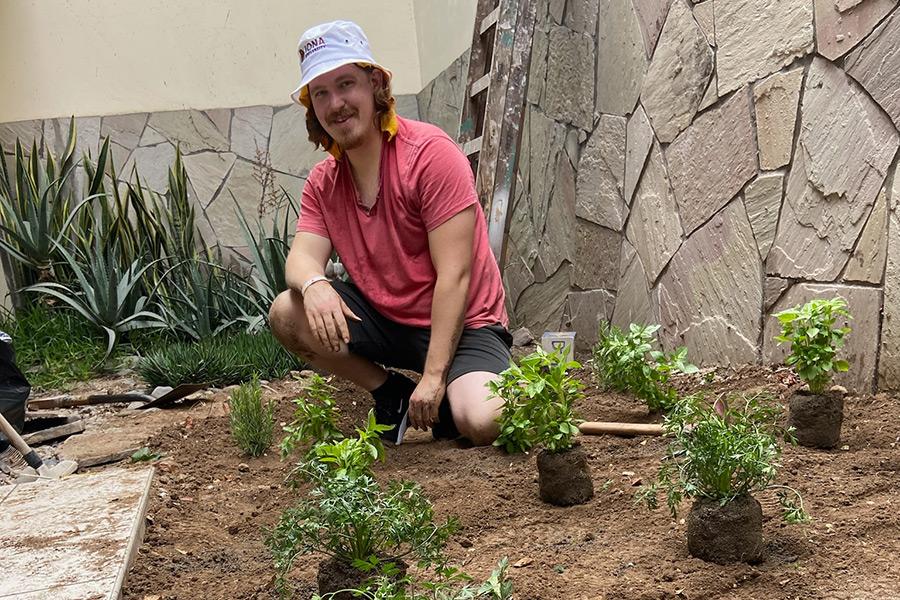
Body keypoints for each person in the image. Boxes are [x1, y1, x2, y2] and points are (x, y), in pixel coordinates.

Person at [268, 20, 512, 446]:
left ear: (375, 84)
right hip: (387, 322)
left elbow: (455, 276)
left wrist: (434, 378)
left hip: (464, 322)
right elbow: (301, 258)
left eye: (346, 84)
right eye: (321, 93)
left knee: (484, 421)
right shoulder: (324, 182)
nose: (336, 103)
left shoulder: (430, 156)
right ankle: (391, 393)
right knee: (288, 313)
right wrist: (314, 284)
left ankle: (454, 396)